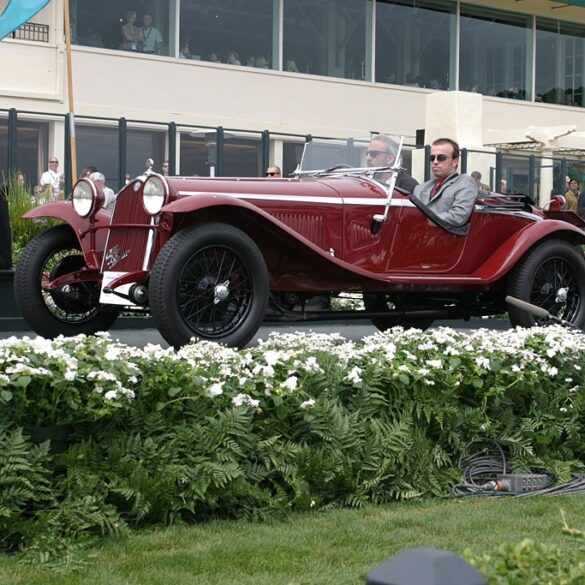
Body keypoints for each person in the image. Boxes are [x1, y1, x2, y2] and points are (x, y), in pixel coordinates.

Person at [412, 138, 478, 228]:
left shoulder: (464, 182)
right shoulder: (420, 188)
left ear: (455, 162)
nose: (435, 162)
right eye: (432, 158)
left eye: (441, 158)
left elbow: (458, 216)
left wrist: (424, 221)